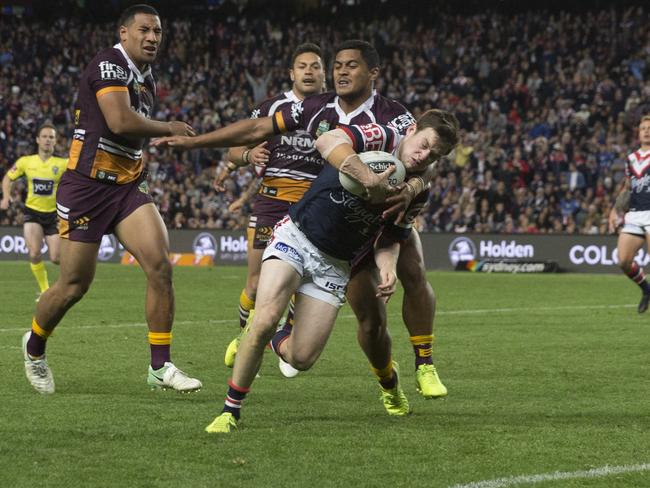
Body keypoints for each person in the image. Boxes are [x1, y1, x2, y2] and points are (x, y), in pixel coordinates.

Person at [155, 40, 447, 398]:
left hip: (379, 215)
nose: (341, 71)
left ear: (373, 74)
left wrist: (415, 185)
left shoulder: (395, 116)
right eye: (338, 64)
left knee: (404, 280)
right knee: (352, 316)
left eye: (351, 66)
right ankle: (272, 338)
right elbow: (254, 130)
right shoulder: (313, 108)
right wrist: (197, 142)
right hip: (322, 215)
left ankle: (424, 363)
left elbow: (428, 155)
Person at [203, 109, 459, 433]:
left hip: (336, 265)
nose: (423, 156)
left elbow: (392, 237)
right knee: (264, 320)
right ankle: (230, 412)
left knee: (301, 358)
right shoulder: (378, 136)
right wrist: (367, 179)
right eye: (423, 145)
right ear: (411, 131)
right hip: (297, 236)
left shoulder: (417, 190)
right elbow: (330, 139)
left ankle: (277, 332)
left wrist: (387, 268)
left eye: (433, 155)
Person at [20, 4, 201, 395]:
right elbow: (119, 121)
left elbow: (128, 134)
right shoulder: (108, 64)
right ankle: (34, 349)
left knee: (160, 267)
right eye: (144, 30)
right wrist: (168, 127)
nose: (153, 37)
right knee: (73, 285)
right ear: (123, 33)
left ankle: (160, 366)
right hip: (86, 188)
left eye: (157, 31)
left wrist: (149, 150)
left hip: (127, 187)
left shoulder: (146, 78)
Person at [213, 43, 326, 370]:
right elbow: (235, 150)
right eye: (302, 66)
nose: (308, 71)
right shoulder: (270, 107)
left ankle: (288, 335)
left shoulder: (334, 111)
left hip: (313, 207)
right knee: (255, 281)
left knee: (304, 282)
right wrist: (247, 156)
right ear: (292, 73)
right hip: (273, 204)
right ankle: (245, 337)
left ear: (323, 73)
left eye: (315, 66)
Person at [1, 124, 67, 299]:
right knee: (34, 253)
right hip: (33, 213)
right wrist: (6, 197)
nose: (47, 140)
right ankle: (45, 291)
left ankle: (66, 283)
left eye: (51, 137)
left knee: (56, 258)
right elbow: (8, 178)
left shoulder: (62, 164)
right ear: (38, 140)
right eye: (44, 136)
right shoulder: (26, 162)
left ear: (55, 141)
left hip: (53, 215)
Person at [609, 115, 650, 313]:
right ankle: (646, 289)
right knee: (624, 261)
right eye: (643, 128)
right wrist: (614, 210)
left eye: (649, 128)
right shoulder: (631, 159)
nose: (646, 131)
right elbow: (627, 187)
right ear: (638, 132)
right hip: (635, 214)